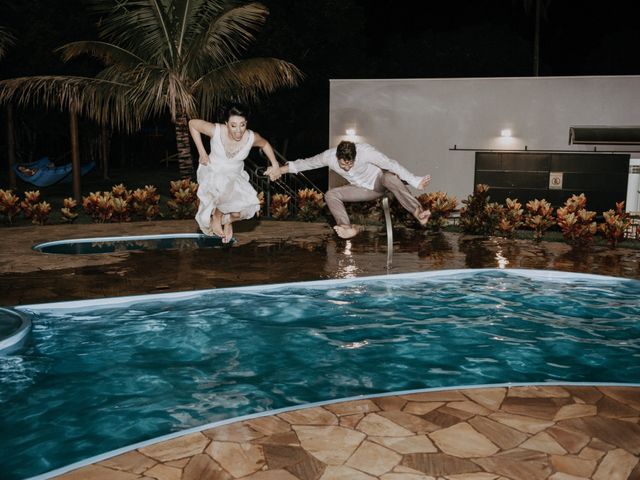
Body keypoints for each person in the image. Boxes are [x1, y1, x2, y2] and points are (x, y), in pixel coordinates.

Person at [266, 141, 431, 239]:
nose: (345, 168)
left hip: (379, 182)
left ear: (355, 157)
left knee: (389, 176)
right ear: (337, 156)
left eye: (349, 164)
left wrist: (415, 180)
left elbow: (391, 164)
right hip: (361, 190)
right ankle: (346, 227)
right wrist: (279, 170)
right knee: (331, 194)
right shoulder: (328, 157)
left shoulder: (366, 152)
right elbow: (305, 163)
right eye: (342, 164)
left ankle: (418, 212)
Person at [189, 104, 281, 242]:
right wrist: (202, 152)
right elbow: (192, 124)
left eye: (242, 125)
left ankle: (228, 221)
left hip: (235, 176)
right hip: (213, 173)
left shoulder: (251, 137)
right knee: (225, 190)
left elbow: (265, 144)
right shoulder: (216, 130)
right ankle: (217, 217)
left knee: (239, 213)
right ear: (226, 124)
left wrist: (275, 165)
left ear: (246, 123)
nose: (238, 130)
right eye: (233, 126)